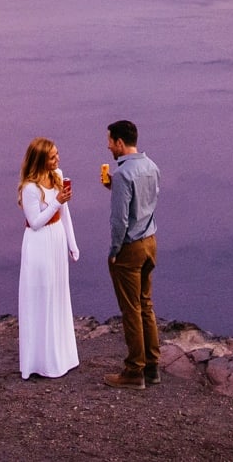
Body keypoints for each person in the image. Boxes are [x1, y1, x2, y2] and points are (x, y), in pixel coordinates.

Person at [101, 118, 160, 389]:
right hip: (150, 242)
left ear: (120, 143)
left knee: (131, 309)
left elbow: (119, 221)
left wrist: (114, 251)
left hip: (130, 248)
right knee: (146, 304)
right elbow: (144, 201)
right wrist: (114, 189)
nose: (109, 147)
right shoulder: (151, 167)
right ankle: (152, 366)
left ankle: (134, 371)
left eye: (110, 142)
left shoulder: (123, 174)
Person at [17, 136, 79, 379]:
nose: (58, 159)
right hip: (39, 244)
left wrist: (72, 244)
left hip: (56, 239)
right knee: (41, 295)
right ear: (41, 160)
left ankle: (61, 356)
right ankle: (40, 361)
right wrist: (56, 201)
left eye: (57, 154)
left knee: (57, 294)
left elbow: (66, 214)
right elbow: (35, 223)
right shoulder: (30, 188)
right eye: (53, 156)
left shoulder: (58, 175)